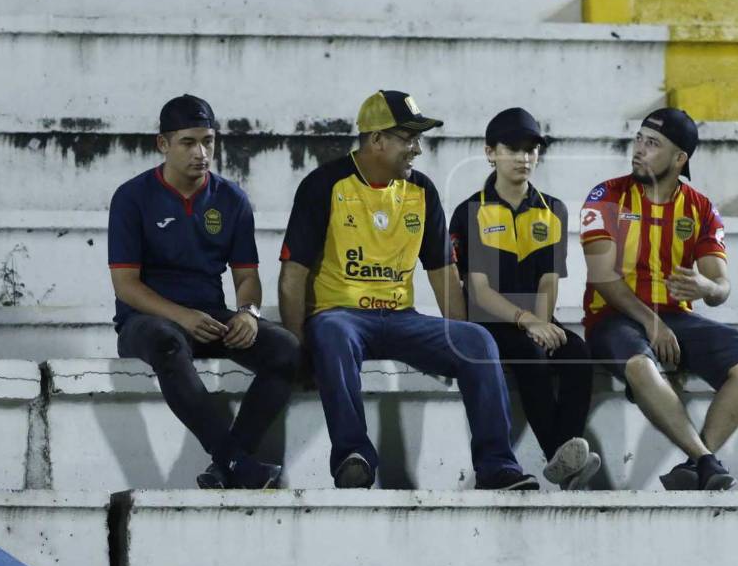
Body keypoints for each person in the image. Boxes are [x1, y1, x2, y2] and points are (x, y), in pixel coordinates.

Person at [277, 89, 539, 491]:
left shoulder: (421, 191)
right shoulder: (324, 185)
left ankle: (496, 467)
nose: (417, 149)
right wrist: (297, 348)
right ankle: (354, 456)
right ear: (376, 139)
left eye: (418, 139)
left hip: (402, 318)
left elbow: (444, 275)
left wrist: (457, 342)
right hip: (341, 316)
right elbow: (293, 274)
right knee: (330, 331)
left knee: (478, 340)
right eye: (408, 138)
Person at [108, 94, 300, 489]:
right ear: (163, 144)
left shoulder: (231, 199)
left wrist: (247, 312)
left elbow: (247, 276)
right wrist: (181, 316)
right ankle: (234, 459)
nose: (201, 152)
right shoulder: (132, 197)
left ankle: (226, 465)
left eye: (208, 141)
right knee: (167, 344)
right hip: (146, 324)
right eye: (189, 142)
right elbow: (125, 285)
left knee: (287, 350)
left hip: (210, 318)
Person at [580, 108, 738, 491]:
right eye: (639, 139)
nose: (639, 150)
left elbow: (720, 286)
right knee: (640, 366)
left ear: (680, 158)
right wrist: (652, 323)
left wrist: (707, 287)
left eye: (652, 144)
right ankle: (706, 461)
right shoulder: (608, 194)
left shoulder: (700, 208)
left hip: (675, 320)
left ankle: (695, 463)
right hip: (613, 316)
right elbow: (602, 278)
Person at [449, 108, 600, 490]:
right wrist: (529, 322)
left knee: (578, 353)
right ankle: (560, 457)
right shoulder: (471, 210)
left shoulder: (553, 210)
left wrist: (543, 321)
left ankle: (565, 453)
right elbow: (479, 291)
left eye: (531, 149)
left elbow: (549, 280)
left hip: (534, 316)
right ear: (490, 153)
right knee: (530, 354)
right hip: (488, 321)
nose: (524, 158)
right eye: (513, 149)